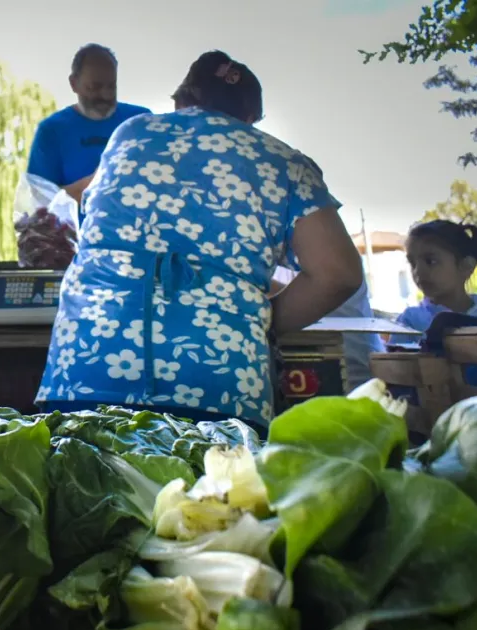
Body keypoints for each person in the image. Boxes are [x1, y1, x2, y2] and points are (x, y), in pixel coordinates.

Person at [35, 50, 363, 433]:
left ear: (181, 102)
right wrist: (261, 319)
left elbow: (84, 211)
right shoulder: (284, 161)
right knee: (212, 475)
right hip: (217, 383)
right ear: (251, 118)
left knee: (82, 469)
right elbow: (338, 274)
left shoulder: (130, 133)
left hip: (85, 369)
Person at [26, 44, 151, 204]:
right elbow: (41, 200)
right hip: (79, 221)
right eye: (94, 87)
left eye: (111, 86)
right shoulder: (51, 131)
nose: (106, 95)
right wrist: (96, 182)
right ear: (73, 84)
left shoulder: (141, 121)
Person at [271, 267, 384, 393]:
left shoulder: (332, 265)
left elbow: (328, 285)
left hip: (352, 378)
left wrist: (256, 283)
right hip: (302, 377)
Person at [396, 220, 477, 332]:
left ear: (466, 266)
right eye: (412, 263)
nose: (418, 271)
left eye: (430, 261)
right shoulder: (410, 321)